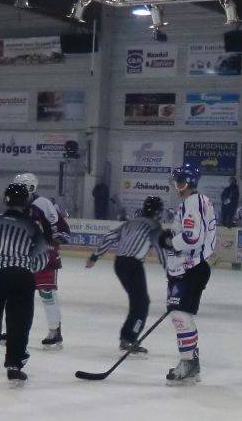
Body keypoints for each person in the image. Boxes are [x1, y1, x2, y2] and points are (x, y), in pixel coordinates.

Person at [0, 183, 49, 387]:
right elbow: (42, 258)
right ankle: (14, 366)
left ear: (5, 201)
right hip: (21, 278)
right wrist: (24, 266)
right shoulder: (33, 226)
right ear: (25, 203)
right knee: (19, 322)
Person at [160, 163, 218, 385]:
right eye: (176, 182)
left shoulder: (192, 203)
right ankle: (190, 363)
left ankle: (188, 363)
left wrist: (169, 241)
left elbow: (192, 238)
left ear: (190, 183)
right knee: (181, 316)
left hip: (190, 267)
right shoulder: (198, 201)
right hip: (191, 266)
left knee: (180, 316)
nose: (178, 187)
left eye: (181, 182)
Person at [87, 196, 164, 356]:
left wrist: (95, 257)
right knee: (142, 304)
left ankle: (127, 336)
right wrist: (172, 273)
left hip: (119, 264)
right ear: (158, 212)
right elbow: (161, 249)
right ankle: (129, 338)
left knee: (137, 302)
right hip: (133, 265)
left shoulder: (130, 223)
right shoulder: (155, 227)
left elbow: (109, 237)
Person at [18, 173, 71, 350]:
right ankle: (15, 329)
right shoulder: (15, 206)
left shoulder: (43, 204)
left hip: (45, 256)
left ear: (31, 187)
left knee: (46, 292)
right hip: (23, 258)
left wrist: (57, 238)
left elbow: (60, 228)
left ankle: (55, 331)